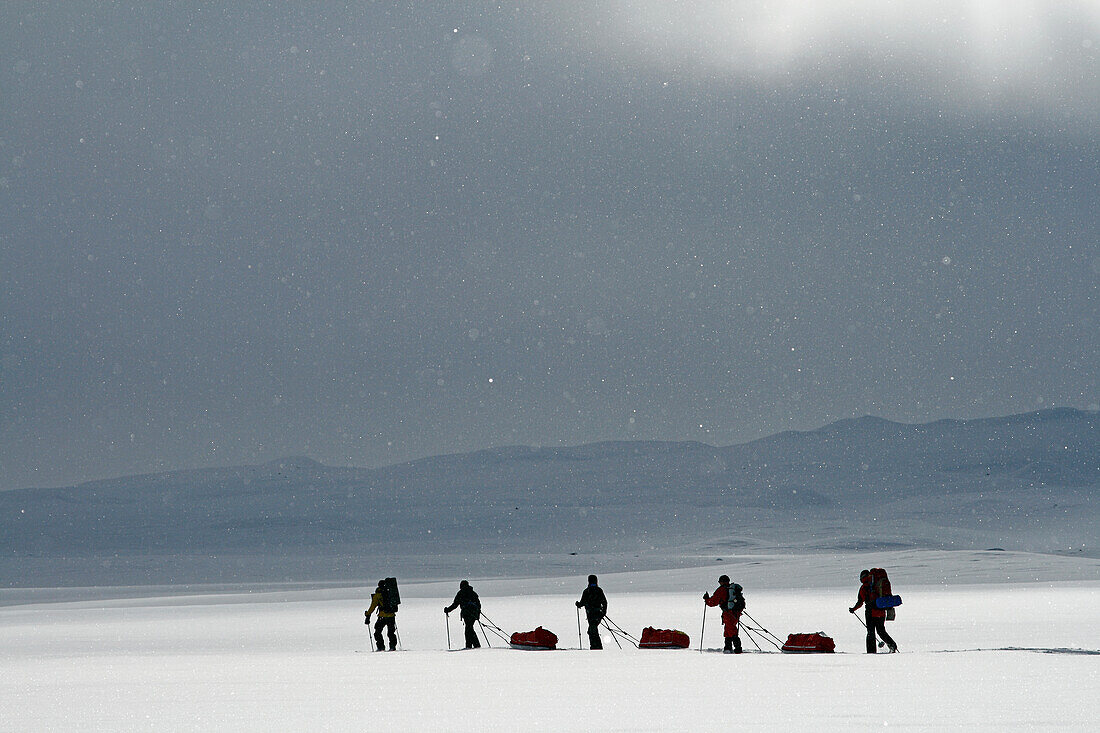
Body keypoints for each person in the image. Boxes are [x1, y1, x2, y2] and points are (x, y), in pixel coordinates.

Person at [850, 569, 897, 653]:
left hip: (870, 612)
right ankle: (892, 645)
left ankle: (871, 652)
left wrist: (853, 609)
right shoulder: (877, 584)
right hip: (881, 611)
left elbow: (860, 601)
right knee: (881, 631)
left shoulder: (864, 587)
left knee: (870, 632)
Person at [704, 574, 745, 653]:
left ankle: (737, 649)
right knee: (728, 629)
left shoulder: (722, 590)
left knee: (731, 630)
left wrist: (706, 599)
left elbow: (713, 602)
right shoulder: (732, 589)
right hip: (736, 612)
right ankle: (728, 648)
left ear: (721, 582)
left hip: (728, 612)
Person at [444, 580, 482, 649]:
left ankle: (470, 646)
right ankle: (475, 645)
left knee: (468, 629)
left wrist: (447, 610)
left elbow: (455, 604)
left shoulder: (461, 593)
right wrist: (477, 614)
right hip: (473, 614)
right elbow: (478, 605)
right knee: (469, 628)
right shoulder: (473, 593)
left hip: (467, 614)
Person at [575, 574, 607, 649]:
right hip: (598, 614)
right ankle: (596, 646)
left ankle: (596, 647)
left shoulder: (587, 591)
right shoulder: (599, 590)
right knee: (592, 630)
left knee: (592, 630)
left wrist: (578, 604)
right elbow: (604, 602)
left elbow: (582, 603)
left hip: (591, 614)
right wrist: (603, 612)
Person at [365, 579, 398, 651]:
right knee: (391, 633)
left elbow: (372, 607)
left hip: (382, 617)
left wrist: (368, 615)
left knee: (377, 632)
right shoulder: (390, 593)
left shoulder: (377, 595)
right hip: (391, 616)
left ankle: (381, 647)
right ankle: (392, 647)